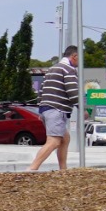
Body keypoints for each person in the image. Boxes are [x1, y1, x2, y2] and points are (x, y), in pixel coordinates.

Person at [30, 44, 81, 172]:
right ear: (74, 56)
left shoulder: (52, 69)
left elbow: (41, 91)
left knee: (65, 138)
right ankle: (32, 168)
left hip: (46, 109)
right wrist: (83, 108)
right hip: (57, 109)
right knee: (54, 141)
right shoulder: (68, 70)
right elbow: (73, 93)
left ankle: (63, 169)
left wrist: (41, 108)